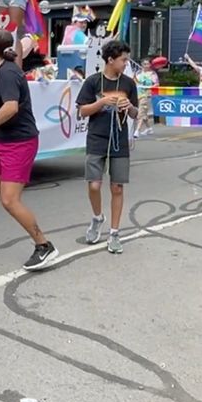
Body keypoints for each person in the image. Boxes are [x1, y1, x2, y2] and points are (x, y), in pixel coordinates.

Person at [0, 22, 58, 271]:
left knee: (9, 200)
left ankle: (44, 245)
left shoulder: (7, 73)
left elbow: (10, 107)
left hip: (20, 142)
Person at [76, 39, 140, 254]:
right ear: (110, 60)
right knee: (94, 185)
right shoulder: (93, 82)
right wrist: (102, 103)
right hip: (96, 139)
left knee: (117, 187)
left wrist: (129, 106)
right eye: (123, 60)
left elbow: (135, 113)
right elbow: (82, 111)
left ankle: (114, 233)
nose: (125, 63)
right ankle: (97, 218)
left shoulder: (129, 84)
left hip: (119, 141)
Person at [134, 59, 159, 137]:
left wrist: (149, 87)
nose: (146, 65)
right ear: (142, 65)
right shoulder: (138, 73)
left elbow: (157, 84)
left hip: (146, 95)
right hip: (138, 94)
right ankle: (149, 128)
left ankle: (137, 131)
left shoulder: (152, 74)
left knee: (141, 112)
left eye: (148, 64)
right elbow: (135, 81)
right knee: (144, 113)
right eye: (145, 64)